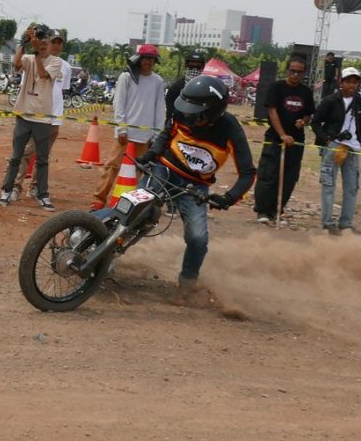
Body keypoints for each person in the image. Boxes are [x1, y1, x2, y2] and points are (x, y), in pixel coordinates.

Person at [134, 75, 256, 301]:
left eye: (195, 113)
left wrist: (228, 198)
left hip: (195, 186)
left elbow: (248, 172)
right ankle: (98, 241)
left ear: (213, 112)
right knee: (137, 209)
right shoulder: (182, 112)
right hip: (164, 168)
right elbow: (166, 134)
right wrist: (151, 154)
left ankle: (187, 283)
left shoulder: (230, 128)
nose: (188, 116)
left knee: (198, 239)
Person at [0, 24, 63, 211]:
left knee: (42, 159)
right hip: (24, 114)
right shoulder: (29, 57)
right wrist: (23, 42)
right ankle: (6, 191)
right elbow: (17, 65)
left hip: (43, 117)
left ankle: (43, 194)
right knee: (16, 156)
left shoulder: (55, 61)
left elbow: (42, 75)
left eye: (44, 38)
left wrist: (36, 53)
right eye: (39, 38)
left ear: (49, 41)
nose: (42, 41)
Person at [92, 44, 165, 209]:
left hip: (145, 136)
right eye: (146, 58)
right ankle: (99, 200)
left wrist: (155, 136)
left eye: (152, 59)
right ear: (139, 59)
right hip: (125, 134)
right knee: (112, 167)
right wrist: (121, 129)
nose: (149, 62)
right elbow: (119, 104)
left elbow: (159, 110)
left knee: (137, 172)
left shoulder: (158, 81)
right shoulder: (127, 77)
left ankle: (127, 206)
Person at [10, 29, 72, 202]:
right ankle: (15, 186)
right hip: (34, 115)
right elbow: (26, 78)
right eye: (53, 41)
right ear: (45, 42)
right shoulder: (32, 59)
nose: (56, 45)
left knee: (43, 156)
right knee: (25, 152)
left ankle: (35, 187)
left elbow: (60, 90)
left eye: (59, 42)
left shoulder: (65, 66)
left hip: (54, 117)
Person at [253, 55, 315, 224]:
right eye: (292, 71)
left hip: (296, 141)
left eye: (299, 72)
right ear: (287, 70)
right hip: (275, 138)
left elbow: (308, 113)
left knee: (289, 177)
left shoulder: (306, 92)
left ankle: (277, 210)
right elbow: (272, 112)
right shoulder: (276, 87)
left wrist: (303, 121)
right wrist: (282, 135)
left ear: (304, 73)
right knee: (268, 174)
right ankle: (263, 210)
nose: (295, 74)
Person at [310, 67, 361, 235]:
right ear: (341, 82)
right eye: (348, 81)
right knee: (328, 185)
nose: (352, 85)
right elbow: (315, 123)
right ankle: (328, 223)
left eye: (355, 82)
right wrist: (327, 140)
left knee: (352, 186)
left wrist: (360, 141)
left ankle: (346, 223)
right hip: (333, 146)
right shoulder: (330, 100)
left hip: (353, 147)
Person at [164, 51, 205, 124]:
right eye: (191, 66)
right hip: (180, 124)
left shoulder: (206, 87)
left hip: (199, 125)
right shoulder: (176, 86)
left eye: (198, 67)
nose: (194, 70)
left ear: (202, 67)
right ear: (187, 66)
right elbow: (170, 108)